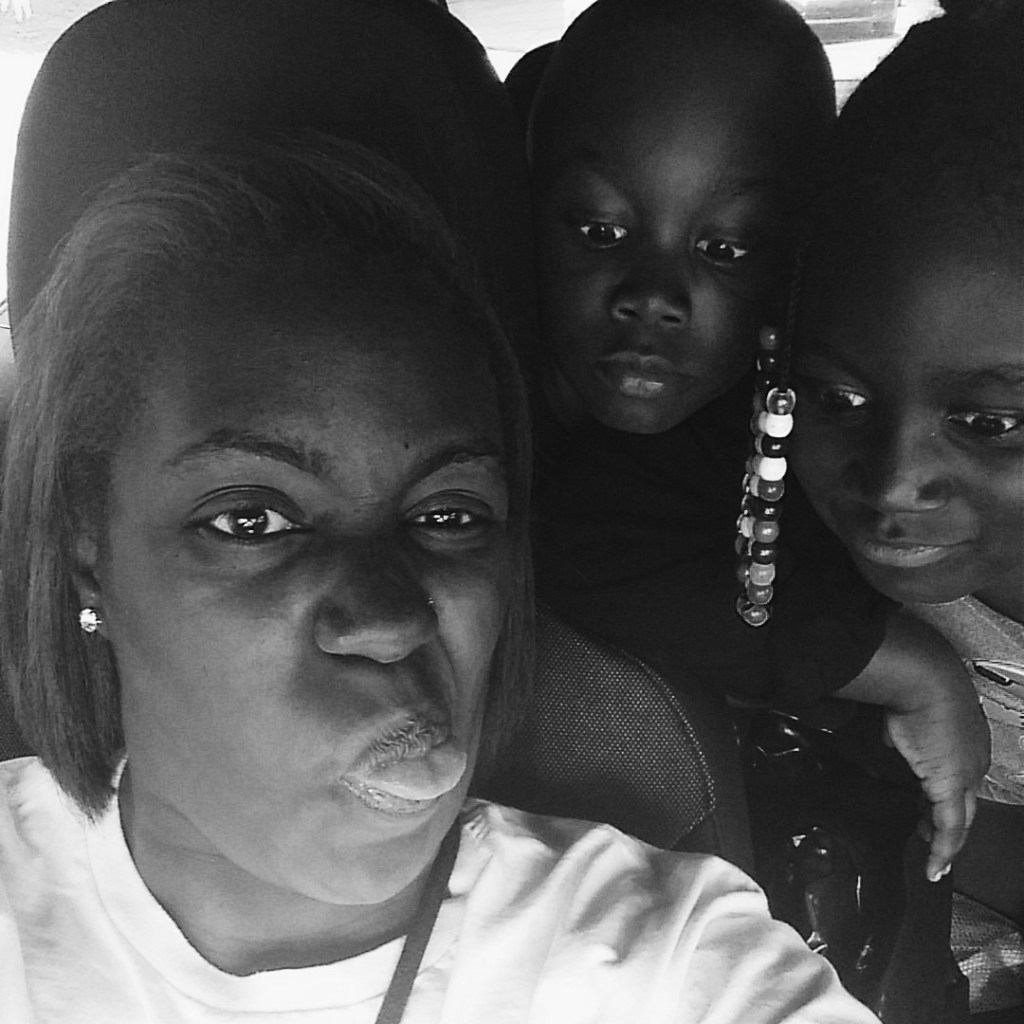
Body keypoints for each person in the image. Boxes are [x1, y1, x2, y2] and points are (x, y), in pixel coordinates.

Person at [0, 136, 883, 1023]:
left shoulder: (668, 962)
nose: (392, 621)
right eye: (252, 521)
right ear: (87, 548)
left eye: (450, 516)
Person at [520, 0, 987, 882]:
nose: (654, 297)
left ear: (800, 258)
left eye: (727, 248)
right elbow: (588, 547)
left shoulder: (804, 400)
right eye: (600, 231)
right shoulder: (512, 406)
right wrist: (903, 666)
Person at [789, 0, 1023, 1012]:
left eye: (987, 422)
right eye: (838, 397)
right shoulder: (776, 517)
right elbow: (601, 537)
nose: (890, 483)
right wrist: (901, 663)